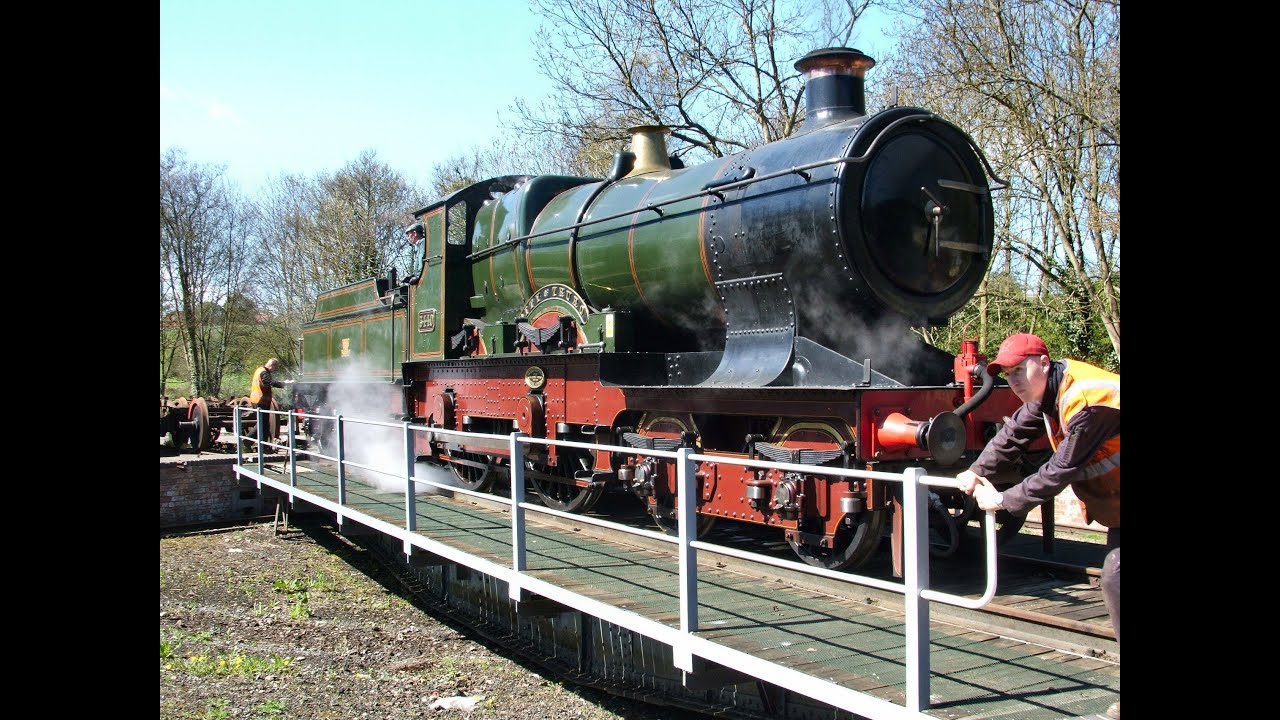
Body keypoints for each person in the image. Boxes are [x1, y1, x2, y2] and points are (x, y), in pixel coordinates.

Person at [955, 332, 1120, 719]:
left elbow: (1060, 469)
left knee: (1115, 578)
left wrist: (1004, 500)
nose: (1014, 381)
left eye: (1020, 370)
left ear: (1044, 363)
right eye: (1007, 374)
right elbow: (1012, 435)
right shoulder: (1046, 396)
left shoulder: (1089, 401)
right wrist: (975, 470)